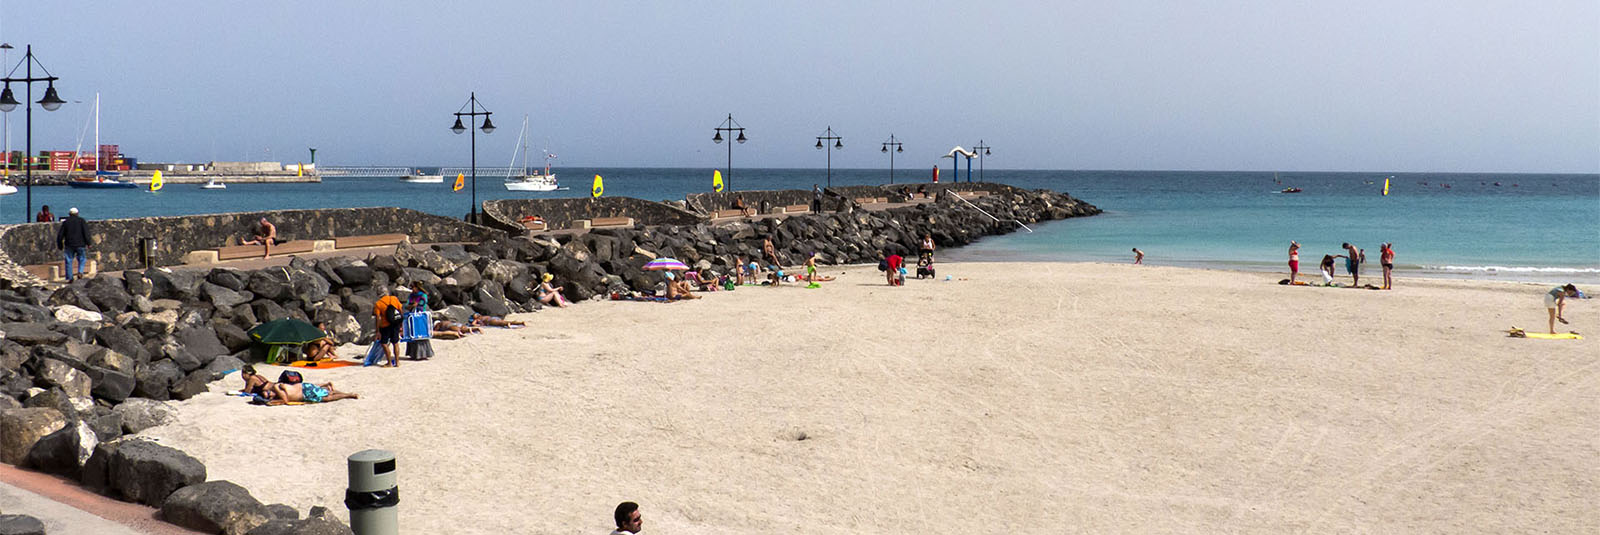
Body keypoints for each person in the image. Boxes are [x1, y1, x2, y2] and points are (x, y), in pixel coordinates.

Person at [56, 207, 91, 282]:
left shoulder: (66, 222)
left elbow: (60, 235)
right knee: (82, 258)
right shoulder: (81, 221)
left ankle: (70, 277)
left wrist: (60, 244)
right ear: (77, 214)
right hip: (80, 244)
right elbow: (86, 233)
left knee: (69, 260)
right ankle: (80, 272)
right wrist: (89, 243)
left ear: (69, 214)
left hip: (69, 244)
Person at [373, 292, 404, 367]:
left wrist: (377, 331)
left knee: (384, 343)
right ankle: (397, 362)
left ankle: (389, 362)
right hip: (395, 324)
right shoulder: (394, 298)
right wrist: (401, 323)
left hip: (385, 326)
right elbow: (400, 310)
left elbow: (378, 317)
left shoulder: (378, 303)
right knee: (395, 343)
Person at [265, 381, 358, 405]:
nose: (270, 395)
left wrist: (273, 402)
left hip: (305, 392)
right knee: (327, 393)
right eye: (269, 396)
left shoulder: (277, 387)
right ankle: (347, 394)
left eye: (269, 393)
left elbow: (285, 400)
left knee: (327, 397)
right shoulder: (279, 389)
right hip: (305, 389)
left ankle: (349, 395)